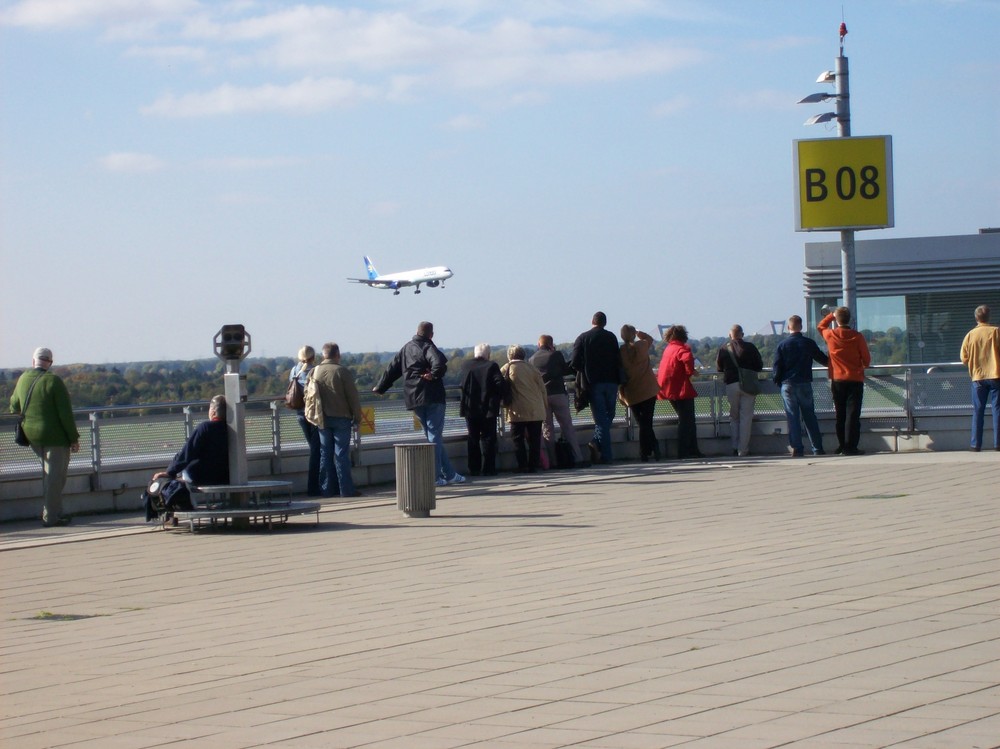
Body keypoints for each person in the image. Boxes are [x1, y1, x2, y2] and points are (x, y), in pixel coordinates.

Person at [374, 321, 466, 487]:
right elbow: (438, 363)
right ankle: (435, 476)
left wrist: (381, 387)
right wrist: (434, 374)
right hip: (432, 396)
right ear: (431, 334)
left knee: (432, 436)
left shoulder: (406, 348)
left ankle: (450, 474)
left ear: (417, 331)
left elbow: (392, 369)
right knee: (434, 437)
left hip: (413, 397)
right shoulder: (428, 346)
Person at [9, 347, 80, 527]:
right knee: (56, 478)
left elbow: (13, 406)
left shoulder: (23, 379)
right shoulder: (54, 381)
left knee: (49, 475)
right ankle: (51, 517)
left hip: (32, 436)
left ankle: (56, 511)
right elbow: (65, 414)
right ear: (50, 363)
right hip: (55, 438)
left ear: (33, 361)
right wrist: (73, 438)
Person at [149, 394, 229, 516]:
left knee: (172, 477)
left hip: (201, 477)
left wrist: (170, 472)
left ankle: (169, 511)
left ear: (213, 412)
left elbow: (187, 454)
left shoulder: (205, 428)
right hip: (226, 476)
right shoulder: (231, 430)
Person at [772, 315, 829, 457]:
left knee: (793, 417)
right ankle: (817, 448)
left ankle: (797, 449)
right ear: (801, 327)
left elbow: (777, 367)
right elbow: (823, 360)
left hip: (788, 384)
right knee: (809, 416)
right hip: (805, 383)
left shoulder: (782, 345)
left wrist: (778, 381)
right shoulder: (808, 343)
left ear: (788, 327)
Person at [311, 342, 363, 497]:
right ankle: (346, 490)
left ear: (323, 355)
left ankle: (326, 489)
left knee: (325, 454)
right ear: (337, 355)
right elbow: (353, 397)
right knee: (341, 454)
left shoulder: (315, 371)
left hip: (321, 419)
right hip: (342, 418)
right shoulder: (342, 371)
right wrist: (357, 418)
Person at [818, 307, 872, 455]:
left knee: (840, 414)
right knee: (852, 415)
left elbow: (820, 326)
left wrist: (831, 315)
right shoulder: (858, 336)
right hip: (855, 379)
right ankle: (851, 446)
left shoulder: (830, 335)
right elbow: (866, 360)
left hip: (837, 380)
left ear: (837, 319)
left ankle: (841, 445)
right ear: (850, 320)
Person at [571, 311, 622, 464]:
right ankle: (600, 447)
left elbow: (574, 361)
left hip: (593, 382)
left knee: (601, 419)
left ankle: (602, 451)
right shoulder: (612, 337)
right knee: (609, 415)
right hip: (612, 381)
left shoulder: (583, 337)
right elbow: (617, 358)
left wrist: (583, 370)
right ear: (605, 323)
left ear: (592, 321)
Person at [529, 335, 583, 467]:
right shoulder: (556, 355)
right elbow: (565, 370)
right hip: (558, 393)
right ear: (551, 344)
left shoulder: (531, 359)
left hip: (542, 397)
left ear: (538, 344)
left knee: (547, 429)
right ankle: (577, 458)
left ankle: (552, 461)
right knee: (567, 426)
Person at [715, 324, 764, 457]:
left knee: (734, 417)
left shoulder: (724, 348)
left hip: (731, 384)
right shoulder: (750, 347)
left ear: (730, 335)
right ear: (742, 334)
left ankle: (735, 447)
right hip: (748, 385)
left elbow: (719, 368)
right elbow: (759, 366)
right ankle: (743, 449)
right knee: (746, 418)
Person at [657, 325, 703, 460]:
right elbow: (687, 357)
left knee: (685, 419)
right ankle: (687, 450)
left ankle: (690, 450)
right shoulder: (682, 348)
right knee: (687, 420)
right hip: (680, 388)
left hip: (666, 388)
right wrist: (690, 371)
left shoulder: (668, 348)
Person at [459, 343, 506, 476]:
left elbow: (462, 384)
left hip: (470, 407)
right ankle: (489, 468)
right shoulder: (491, 365)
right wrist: (500, 396)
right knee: (488, 438)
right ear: (488, 354)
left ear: (475, 353)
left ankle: (474, 468)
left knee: (473, 438)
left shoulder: (466, 365)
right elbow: (499, 383)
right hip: (488, 408)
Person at [501, 345, 548, 473]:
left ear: (510, 356)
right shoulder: (532, 368)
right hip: (536, 409)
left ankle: (522, 465)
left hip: (518, 410)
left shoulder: (508, 368)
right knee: (535, 440)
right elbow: (543, 390)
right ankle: (534, 465)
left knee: (518, 439)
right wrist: (544, 406)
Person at [959, 304, 1000, 452]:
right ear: (989, 317)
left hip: (977, 377)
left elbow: (964, 358)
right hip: (996, 375)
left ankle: (975, 444)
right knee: (997, 410)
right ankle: (998, 444)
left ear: (976, 318)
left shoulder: (970, 335)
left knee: (978, 411)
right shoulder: (996, 332)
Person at [619, 325, 660, 462]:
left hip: (632, 392)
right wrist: (638, 332)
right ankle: (647, 451)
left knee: (642, 423)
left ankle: (652, 448)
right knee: (646, 422)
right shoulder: (642, 346)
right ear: (633, 335)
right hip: (648, 390)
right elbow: (649, 338)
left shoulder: (621, 351)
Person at [289, 345, 321, 496]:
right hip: (314, 414)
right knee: (317, 451)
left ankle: (315, 486)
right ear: (313, 357)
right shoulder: (316, 371)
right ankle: (314, 487)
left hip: (300, 414)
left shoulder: (294, 371)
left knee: (314, 449)